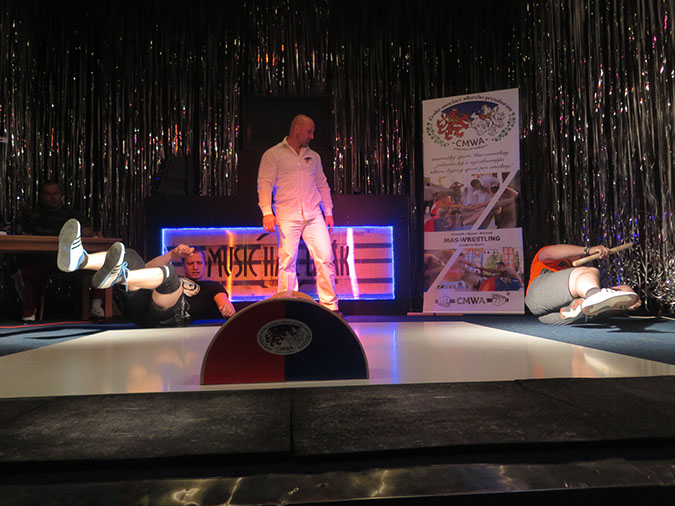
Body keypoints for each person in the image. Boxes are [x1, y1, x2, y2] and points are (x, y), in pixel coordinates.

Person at [57, 219, 235, 327]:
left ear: (205, 264)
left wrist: (227, 308)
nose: (195, 267)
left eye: (199, 263)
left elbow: (224, 302)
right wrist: (172, 254)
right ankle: (81, 260)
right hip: (143, 309)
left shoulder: (212, 286)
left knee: (168, 273)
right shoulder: (178, 275)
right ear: (184, 264)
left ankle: (120, 276)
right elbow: (146, 269)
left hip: (173, 316)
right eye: (190, 263)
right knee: (131, 255)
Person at [257, 114, 340, 314]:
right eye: (309, 132)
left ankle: (330, 306)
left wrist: (328, 211)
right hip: (286, 214)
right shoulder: (273, 154)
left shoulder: (314, 156)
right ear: (297, 129)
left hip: (314, 214)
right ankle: (288, 307)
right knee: (287, 261)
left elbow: (322, 184)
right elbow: (264, 184)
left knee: (325, 257)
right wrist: (267, 212)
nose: (312, 136)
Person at [14, 180, 102, 321]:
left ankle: (96, 306)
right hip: (42, 260)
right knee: (25, 269)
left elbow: (88, 232)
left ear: (60, 195)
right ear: (42, 196)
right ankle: (30, 309)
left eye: (55, 193)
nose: (52, 197)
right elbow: (23, 234)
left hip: (73, 261)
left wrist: (88, 233)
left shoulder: (72, 214)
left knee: (99, 262)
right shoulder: (32, 215)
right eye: (48, 194)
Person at [525, 243, 640, 325]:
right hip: (537, 294)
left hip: (549, 314)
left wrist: (628, 301)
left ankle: (583, 306)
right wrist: (587, 250)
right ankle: (594, 296)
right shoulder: (549, 259)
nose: (582, 256)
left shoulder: (574, 275)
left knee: (625, 290)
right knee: (588, 272)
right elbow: (547, 252)